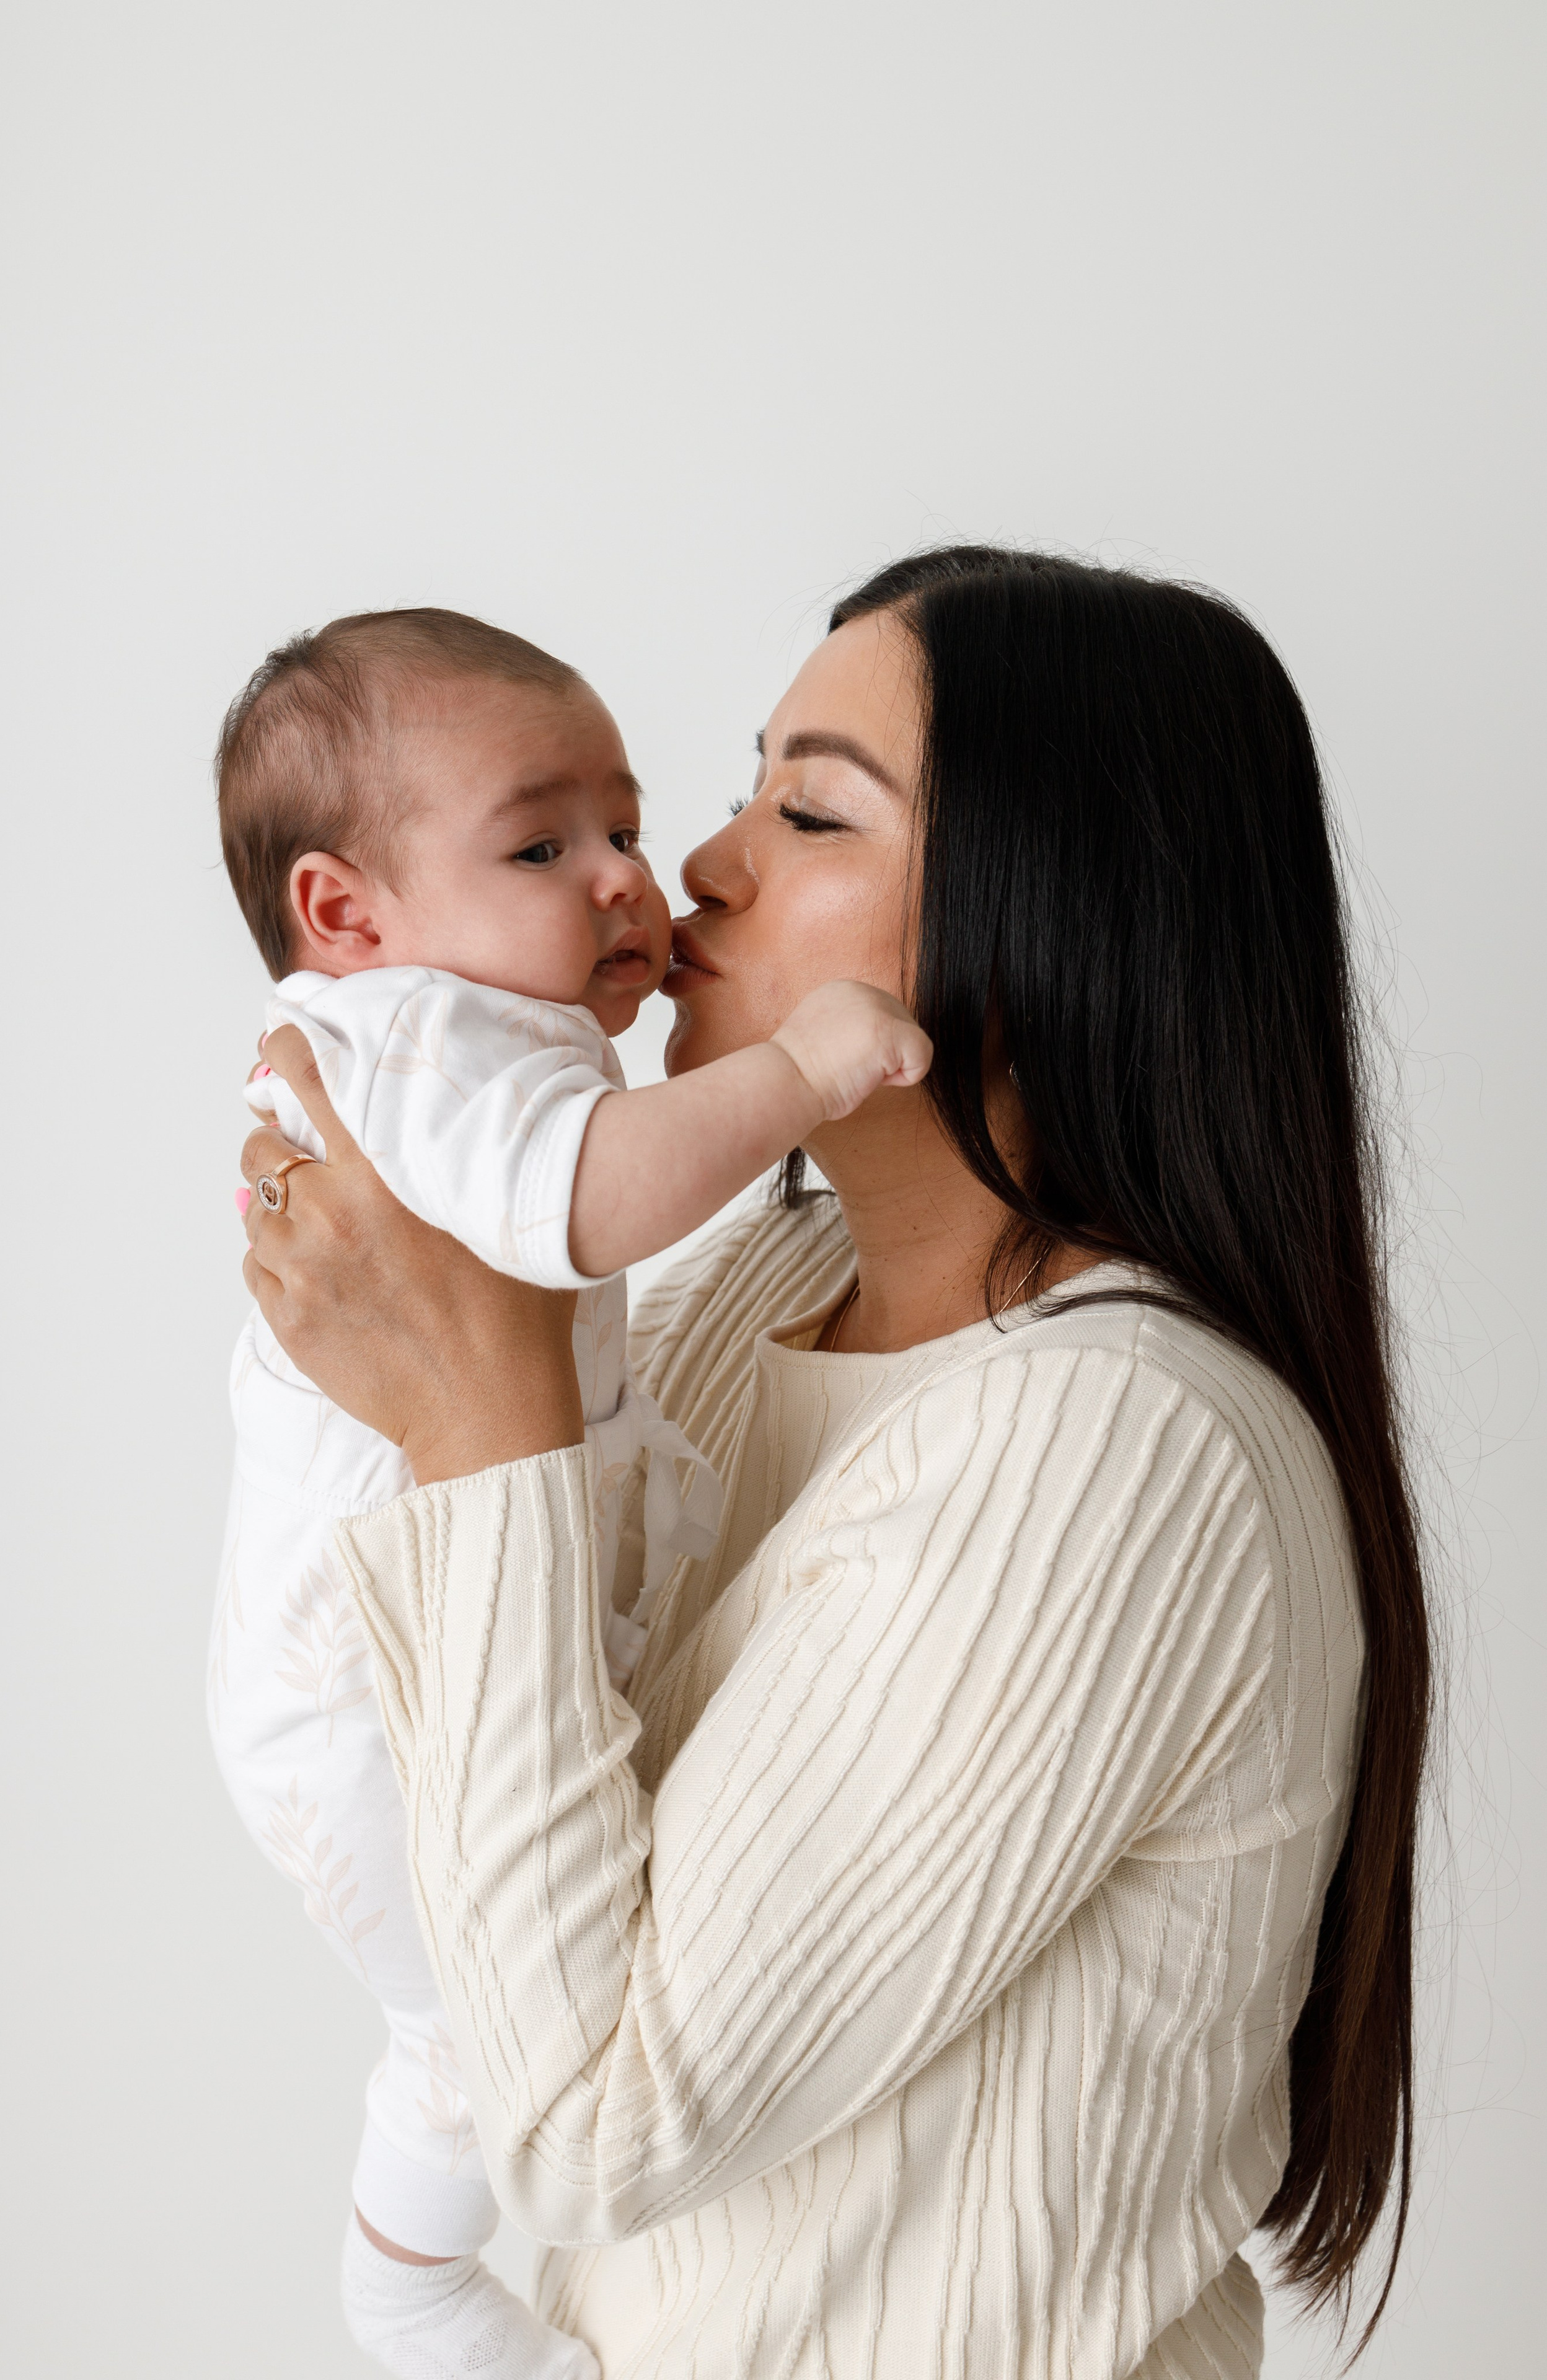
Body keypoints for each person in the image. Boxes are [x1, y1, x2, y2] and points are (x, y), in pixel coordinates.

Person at [238, 549, 1431, 2378]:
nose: (694, 868)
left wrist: (481, 1423)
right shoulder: (763, 1289)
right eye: (743, 790)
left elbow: (589, 2123)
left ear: (1057, 921)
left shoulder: (1120, 1455)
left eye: (808, 812)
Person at [210, 607, 927, 2380]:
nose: (643, 878)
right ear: (346, 915)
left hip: (385, 1657)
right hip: (355, 1689)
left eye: (623, 821)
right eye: (546, 846)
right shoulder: (415, 1042)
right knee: (486, 2033)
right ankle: (416, 2303)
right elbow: (591, 1203)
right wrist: (806, 1066)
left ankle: (417, 2292)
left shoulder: (470, 1034)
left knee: (467, 2032)